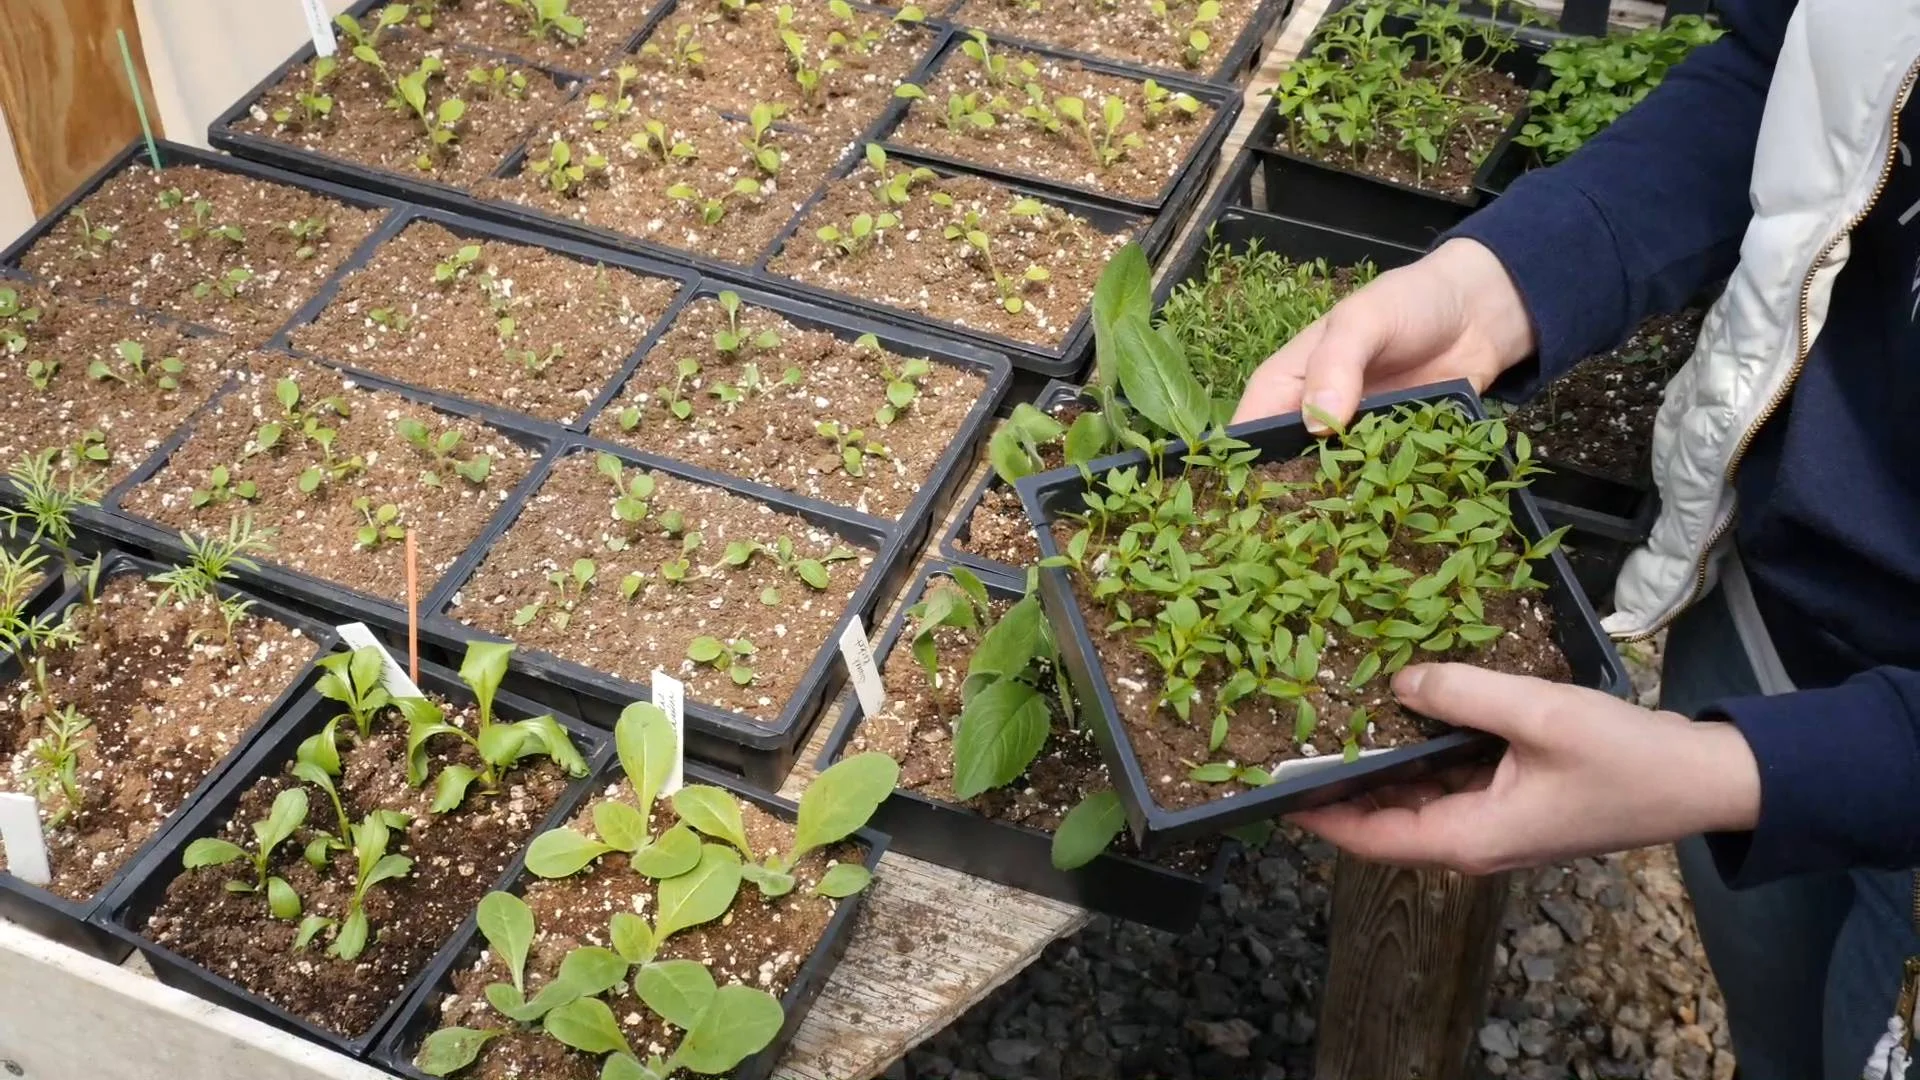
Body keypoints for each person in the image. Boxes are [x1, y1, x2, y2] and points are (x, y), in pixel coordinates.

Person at [1229, 2, 1920, 1077]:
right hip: (1776, 612)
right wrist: (1501, 284)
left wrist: (1738, 772)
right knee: (1781, 1027)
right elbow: (1799, 83)